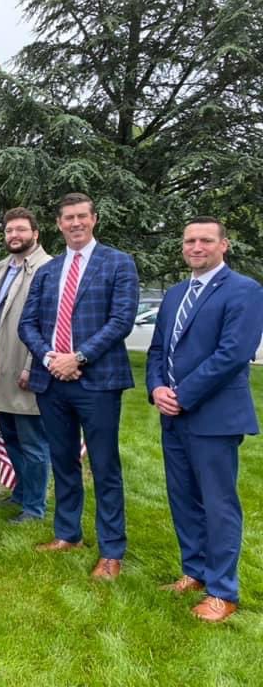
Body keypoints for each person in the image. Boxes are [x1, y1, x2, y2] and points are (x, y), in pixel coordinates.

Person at [145, 217, 263, 622]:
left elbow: (233, 354)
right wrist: (157, 388)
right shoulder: (176, 294)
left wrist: (184, 395)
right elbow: (158, 349)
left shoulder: (245, 291)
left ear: (223, 245)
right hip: (173, 418)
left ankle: (222, 590)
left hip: (213, 418)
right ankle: (193, 571)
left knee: (218, 504)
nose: (196, 246)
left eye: (205, 240)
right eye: (190, 240)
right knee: (183, 499)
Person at [19, 192, 139, 581]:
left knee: (104, 466)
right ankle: (67, 533)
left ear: (94, 219)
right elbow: (28, 324)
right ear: (58, 224)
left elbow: (121, 321)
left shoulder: (118, 263)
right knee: (63, 459)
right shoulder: (48, 271)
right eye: (68, 218)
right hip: (52, 380)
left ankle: (111, 551)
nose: (75, 223)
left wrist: (79, 357)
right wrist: (52, 357)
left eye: (81, 216)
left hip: (98, 382)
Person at [0, 208, 53, 522]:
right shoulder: (0, 269)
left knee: (33, 441)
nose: (15, 235)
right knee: (10, 436)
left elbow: (48, 323)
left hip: (25, 366)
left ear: (35, 234)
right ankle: (21, 494)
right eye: (10, 230)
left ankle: (35, 508)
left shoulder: (47, 269)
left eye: (21, 230)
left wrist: (33, 365)